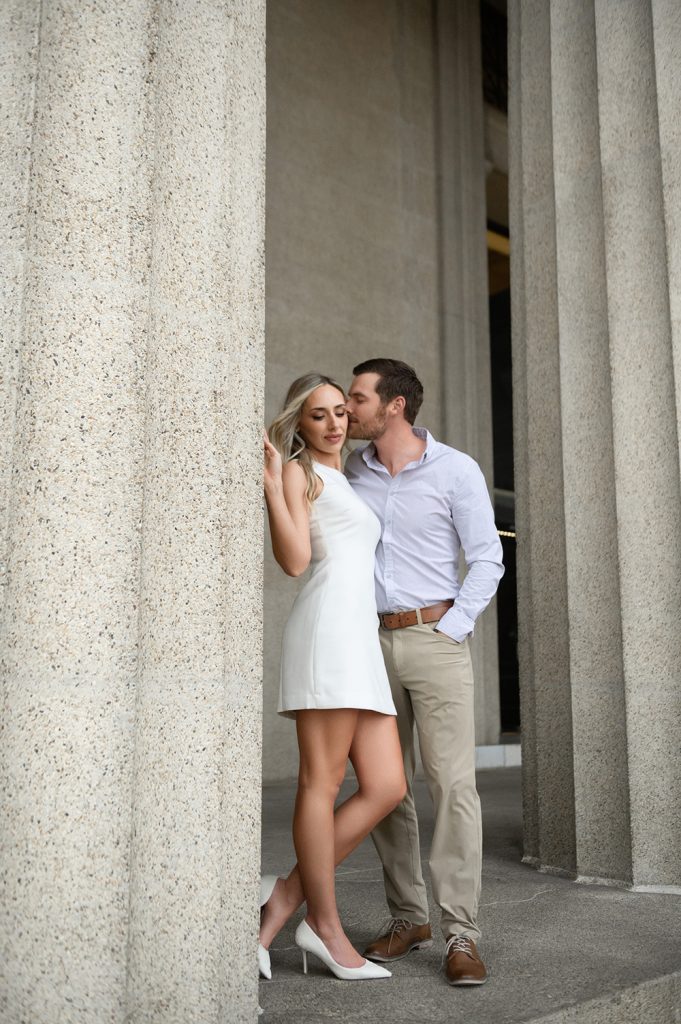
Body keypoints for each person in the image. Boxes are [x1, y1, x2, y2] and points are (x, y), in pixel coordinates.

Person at [344, 358, 504, 986]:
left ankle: (461, 933)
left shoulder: (456, 469)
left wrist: (452, 628)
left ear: (396, 406)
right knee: (385, 785)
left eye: (358, 398)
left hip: (435, 639)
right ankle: (408, 917)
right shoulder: (351, 468)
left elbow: (487, 557)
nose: (350, 408)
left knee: (452, 785)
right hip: (369, 644)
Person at [260, 372, 407, 982]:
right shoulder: (302, 473)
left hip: (357, 640)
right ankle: (324, 926)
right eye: (319, 415)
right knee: (321, 784)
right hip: (326, 635)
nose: (334, 423)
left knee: (388, 786)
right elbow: (295, 561)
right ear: (300, 422)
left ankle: (284, 900)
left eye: (341, 411)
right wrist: (272, 485)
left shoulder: (345, 476)